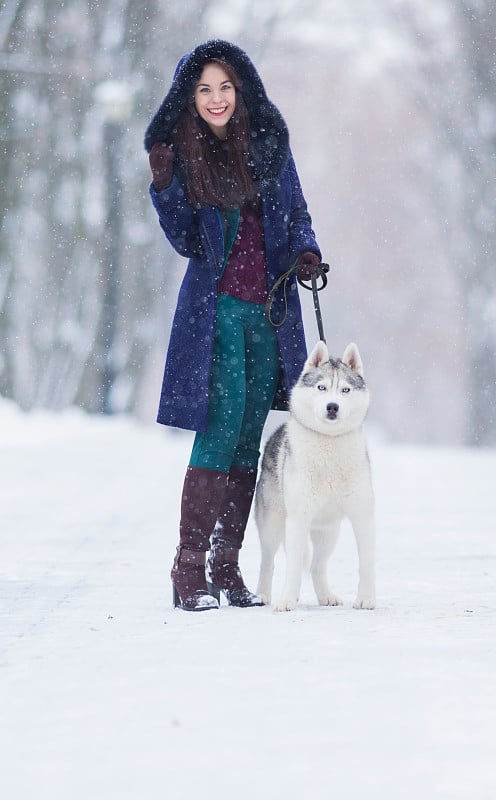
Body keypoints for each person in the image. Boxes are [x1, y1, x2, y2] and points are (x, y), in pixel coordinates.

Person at [144, 40, 323, 612]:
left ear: (240, 89)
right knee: (220, 429)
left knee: (248, 434)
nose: (216, 99)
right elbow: (185, 241)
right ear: (189, 98)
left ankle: (226, 565)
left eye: (224, 87)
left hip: (269, 314)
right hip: (216, 312)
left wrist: (307, 252)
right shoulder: (184, 154)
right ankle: (188, 568)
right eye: (203, 90)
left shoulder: (270, 145)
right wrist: (165, 187)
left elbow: (296, 213)